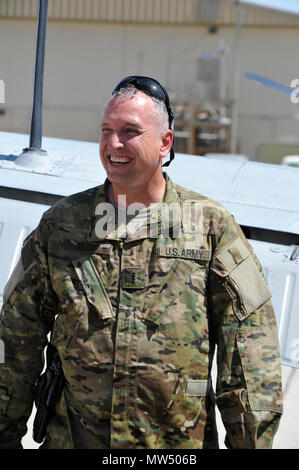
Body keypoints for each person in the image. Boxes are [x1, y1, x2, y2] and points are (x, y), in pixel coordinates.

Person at [0, 76, 282, 449]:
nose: (114, 144)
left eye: (130, 131)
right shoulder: (61, 225)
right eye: (107, 130)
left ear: (165, 142)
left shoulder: (211, 228)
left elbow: (250, 354)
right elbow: (14, 342)